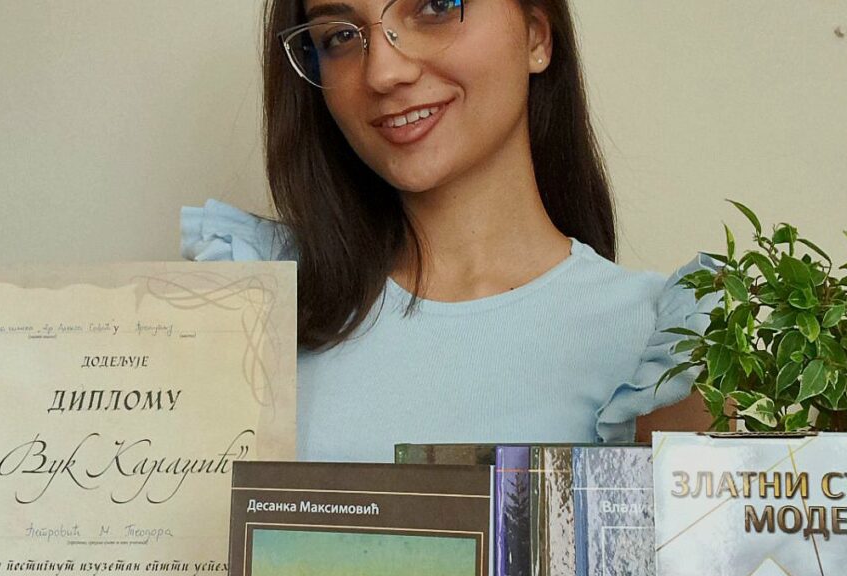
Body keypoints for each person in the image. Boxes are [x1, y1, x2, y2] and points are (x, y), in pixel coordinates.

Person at [181, 0, 716, 462]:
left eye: (436, 6)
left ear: (536, 34)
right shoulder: (256, 301)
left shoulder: (668, 348)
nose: (383, 72)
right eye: (339, 36)